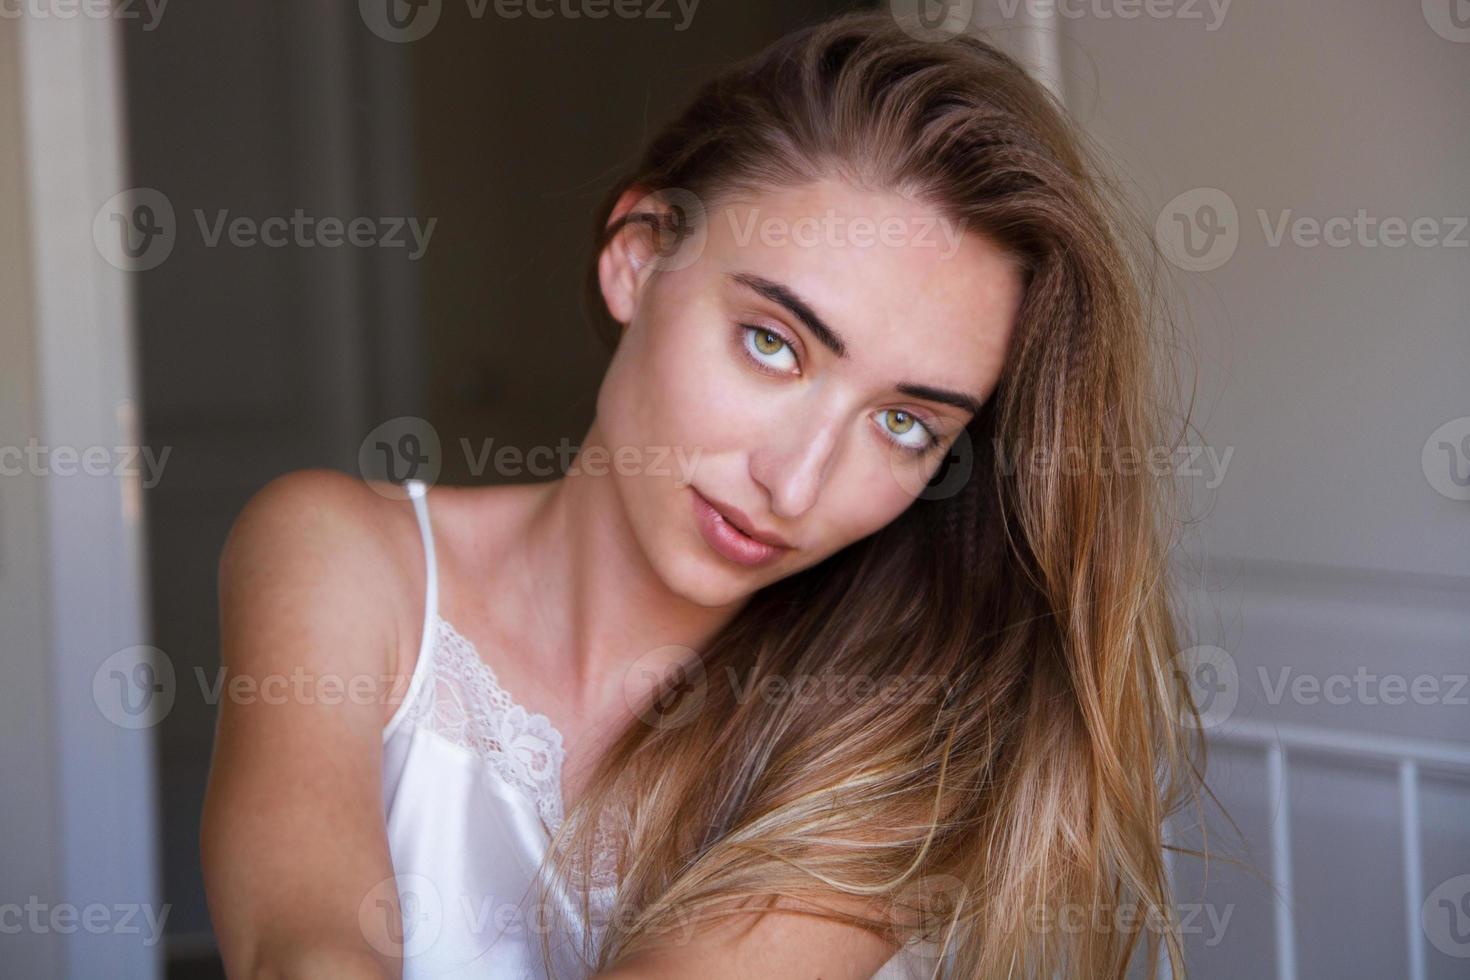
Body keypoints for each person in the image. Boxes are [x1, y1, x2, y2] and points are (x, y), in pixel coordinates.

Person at [202, 10, 1203, 978]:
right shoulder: (339, 553)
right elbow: (302, 951)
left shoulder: (910, 734)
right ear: (637, 256)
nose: (794, 481)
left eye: (906, 422)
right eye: (774, 343)